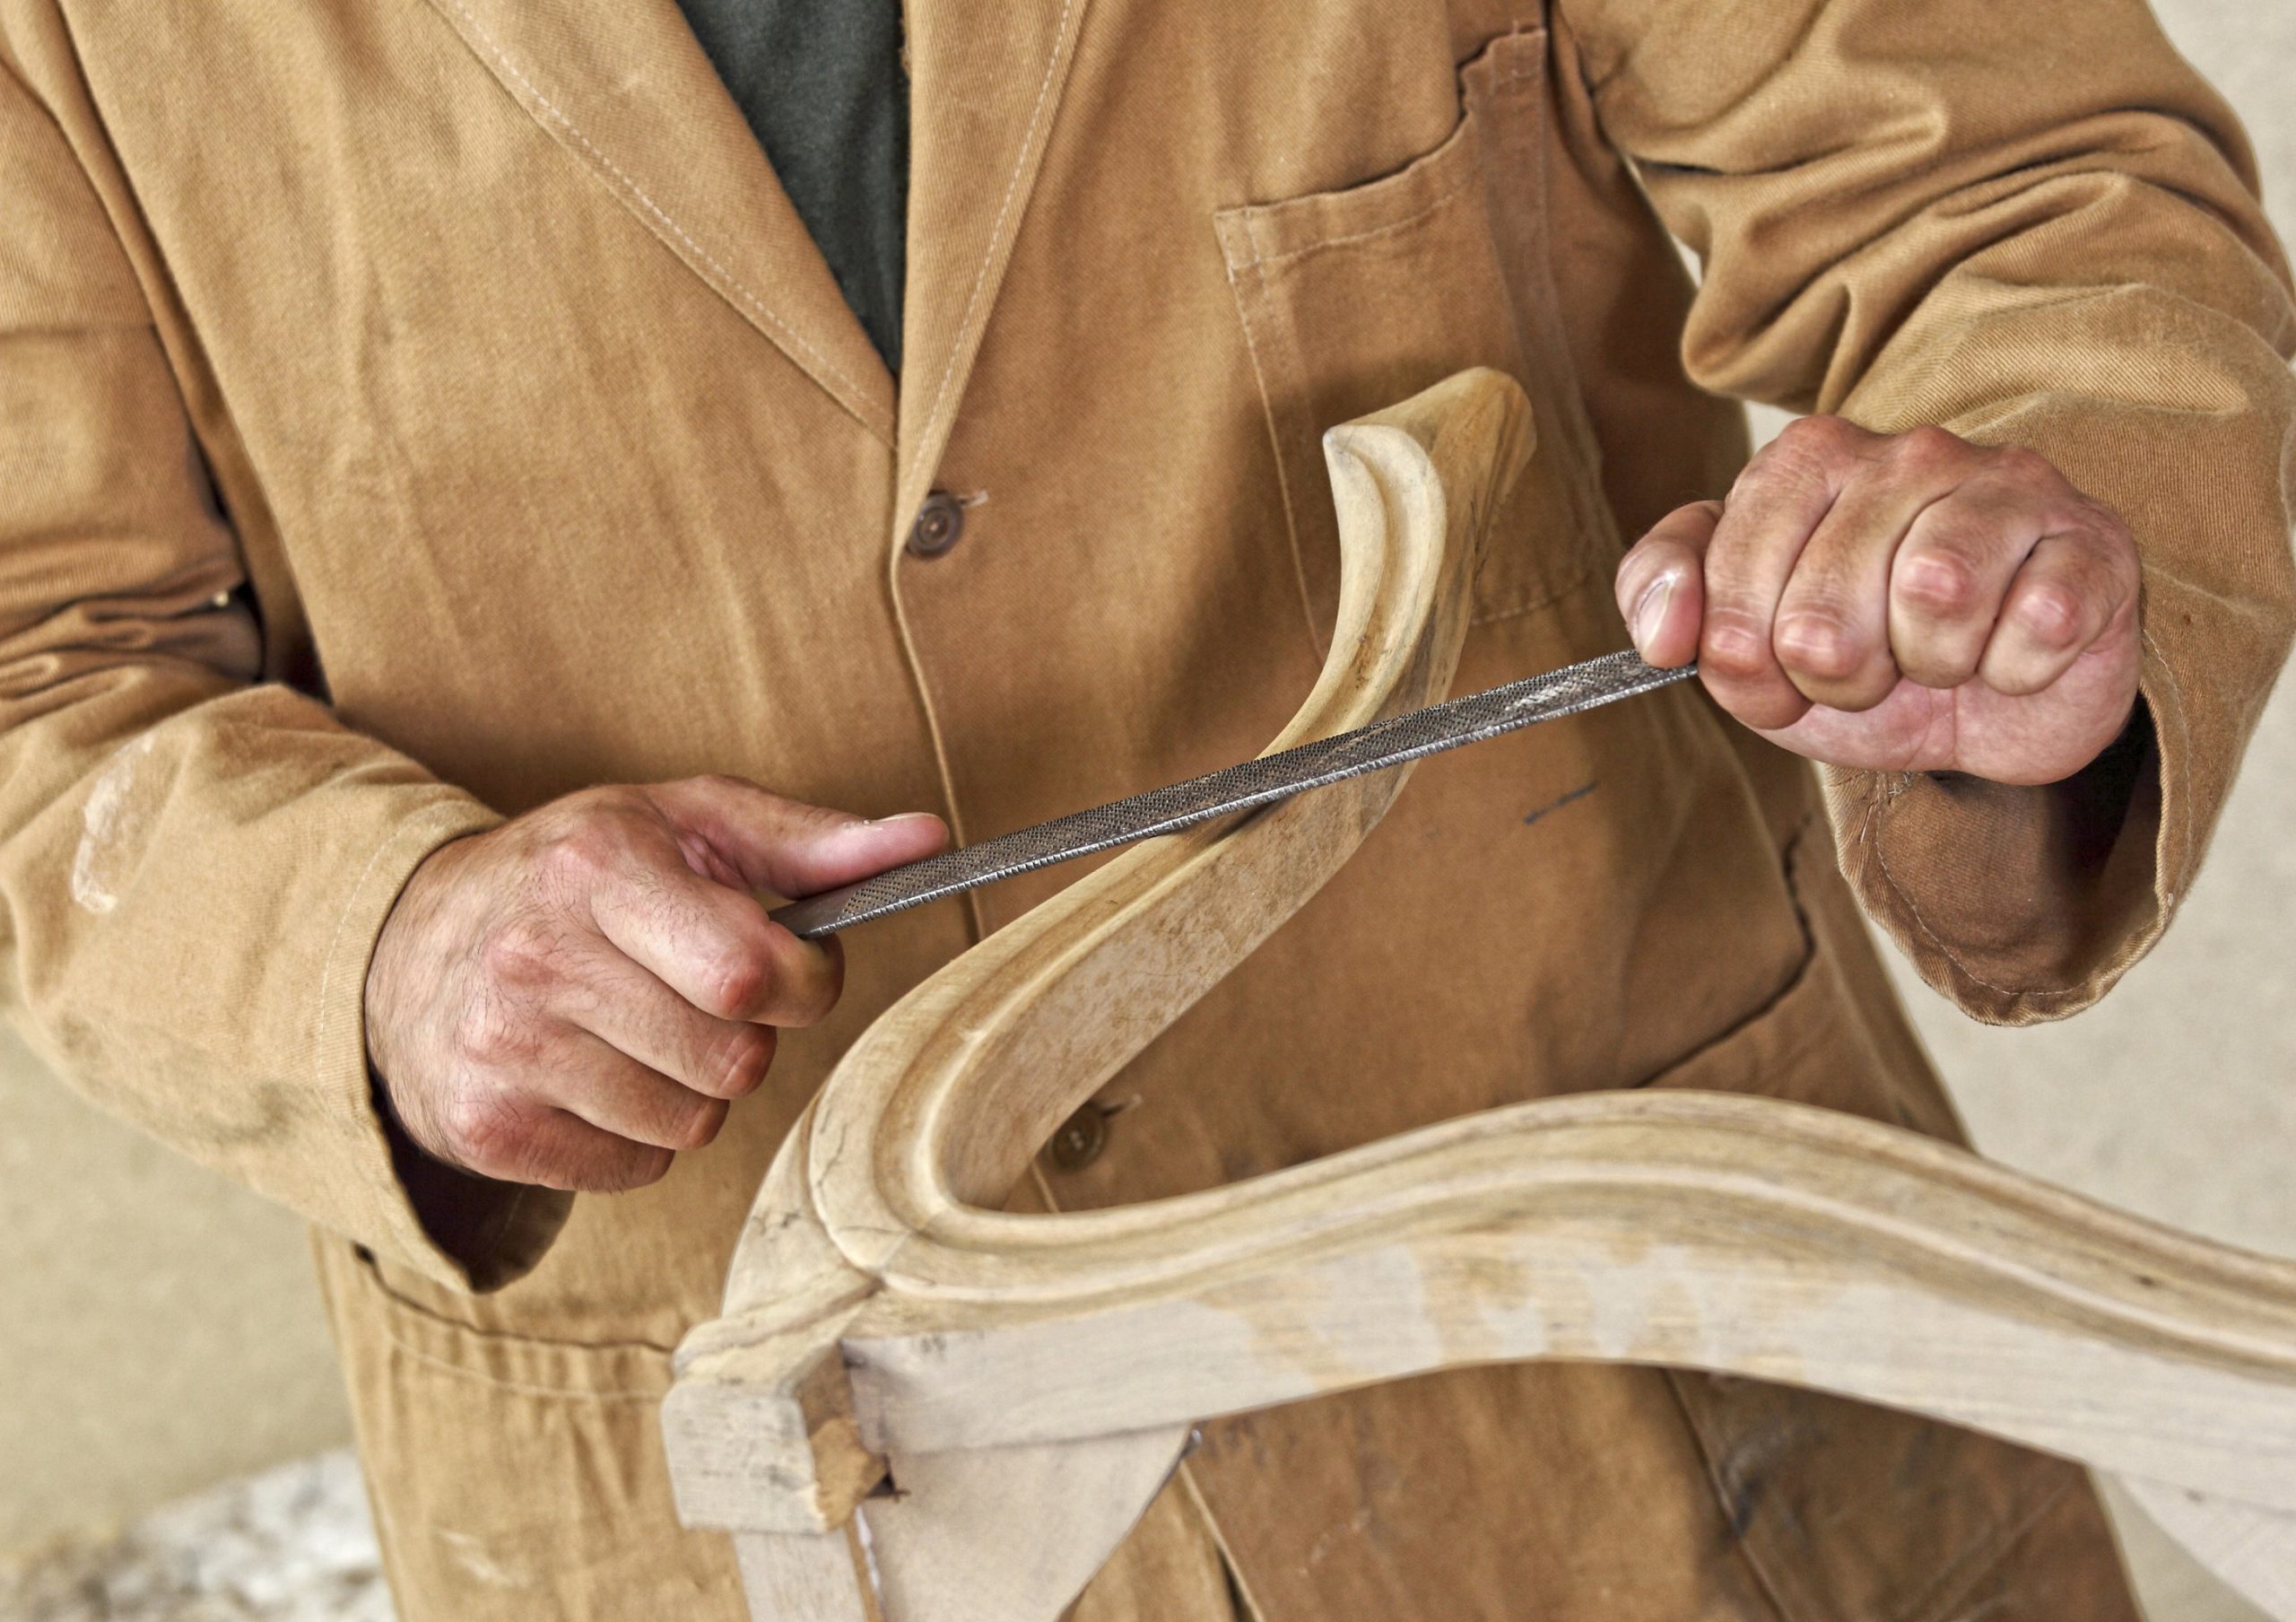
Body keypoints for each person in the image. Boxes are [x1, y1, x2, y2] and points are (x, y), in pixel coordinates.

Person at [2, 0, 2289, 1616]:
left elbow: (2030, 202)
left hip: (1646, 1447)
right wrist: (379, 944)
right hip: (756, 1498)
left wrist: (2012, 528)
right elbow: (44, 674)